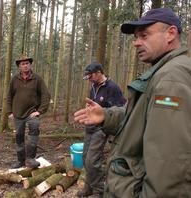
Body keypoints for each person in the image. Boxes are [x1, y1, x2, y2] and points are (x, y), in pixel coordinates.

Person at [74, 8, 191, 197]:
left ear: (170, 33)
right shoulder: (161, 74)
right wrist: (107, 115)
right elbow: (141, 119)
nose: (136, 43)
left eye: (144, 35)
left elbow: (170, 166)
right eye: (136, 37)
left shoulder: (171, 79)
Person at [77, 61, 126, 197]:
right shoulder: (93, 86)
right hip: (90, 127)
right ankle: (89, 187)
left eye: (91, 76)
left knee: (93, 160)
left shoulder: (112, 87)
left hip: (102, 129)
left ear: (99, 73)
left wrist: (104, 115)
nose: (89, 80)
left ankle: (99, 190)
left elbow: (120, 110)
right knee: (85, 157)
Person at [7, 54, 51, 169]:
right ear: (19, 67)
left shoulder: (37, 79)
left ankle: (31, 158)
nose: (25, 66)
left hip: (32, 112)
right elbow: (9, 96)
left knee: (34, 129)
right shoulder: (14, 80)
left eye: (27, 63)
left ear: (30, 65)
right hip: (18, 113)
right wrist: (9, 112)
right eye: (23, 64)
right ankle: (20, 161)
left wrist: (40, 111)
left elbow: (46, 95)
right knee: (19, 137)